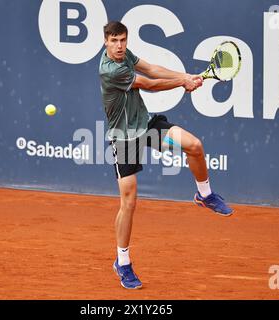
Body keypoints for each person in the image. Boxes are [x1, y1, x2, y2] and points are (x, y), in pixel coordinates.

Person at [99, 21, 233, 290]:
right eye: (114, 41)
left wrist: (185, 75)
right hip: (124, 137)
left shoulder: (126, 56)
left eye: (123, 40)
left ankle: (204, 195)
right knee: (129, 201)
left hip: (146, 125)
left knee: (194, 145)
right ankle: (122, 262)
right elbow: (149, 84)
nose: (119, 45)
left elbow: (151, 68)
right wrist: (182, 82)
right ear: (105, 42)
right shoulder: (110, 70)